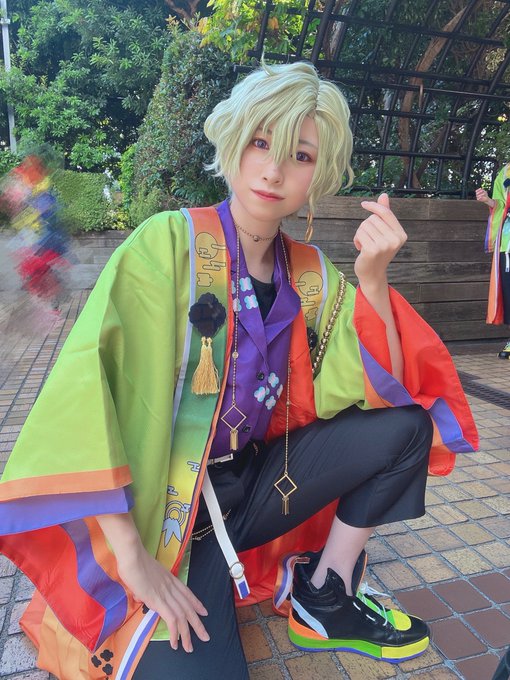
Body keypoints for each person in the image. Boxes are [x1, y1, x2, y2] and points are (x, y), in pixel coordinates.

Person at [0, 62, 477, 680]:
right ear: (232, 143)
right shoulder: (166, 244)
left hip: (257, 485)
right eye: (260, 143)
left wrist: (374, 279)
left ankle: (325, 592)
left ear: (318, 174)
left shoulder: (309, 273)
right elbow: (89, 400)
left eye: (300, 155)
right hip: (170, 510)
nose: (274, 171)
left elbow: (378, 386)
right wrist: (134, 560)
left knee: (407, 429)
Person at [476, 163, 510, 358]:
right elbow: (501, 205)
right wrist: (488, 200)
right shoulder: (505, 172)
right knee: (509, 292)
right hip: (508, 243)